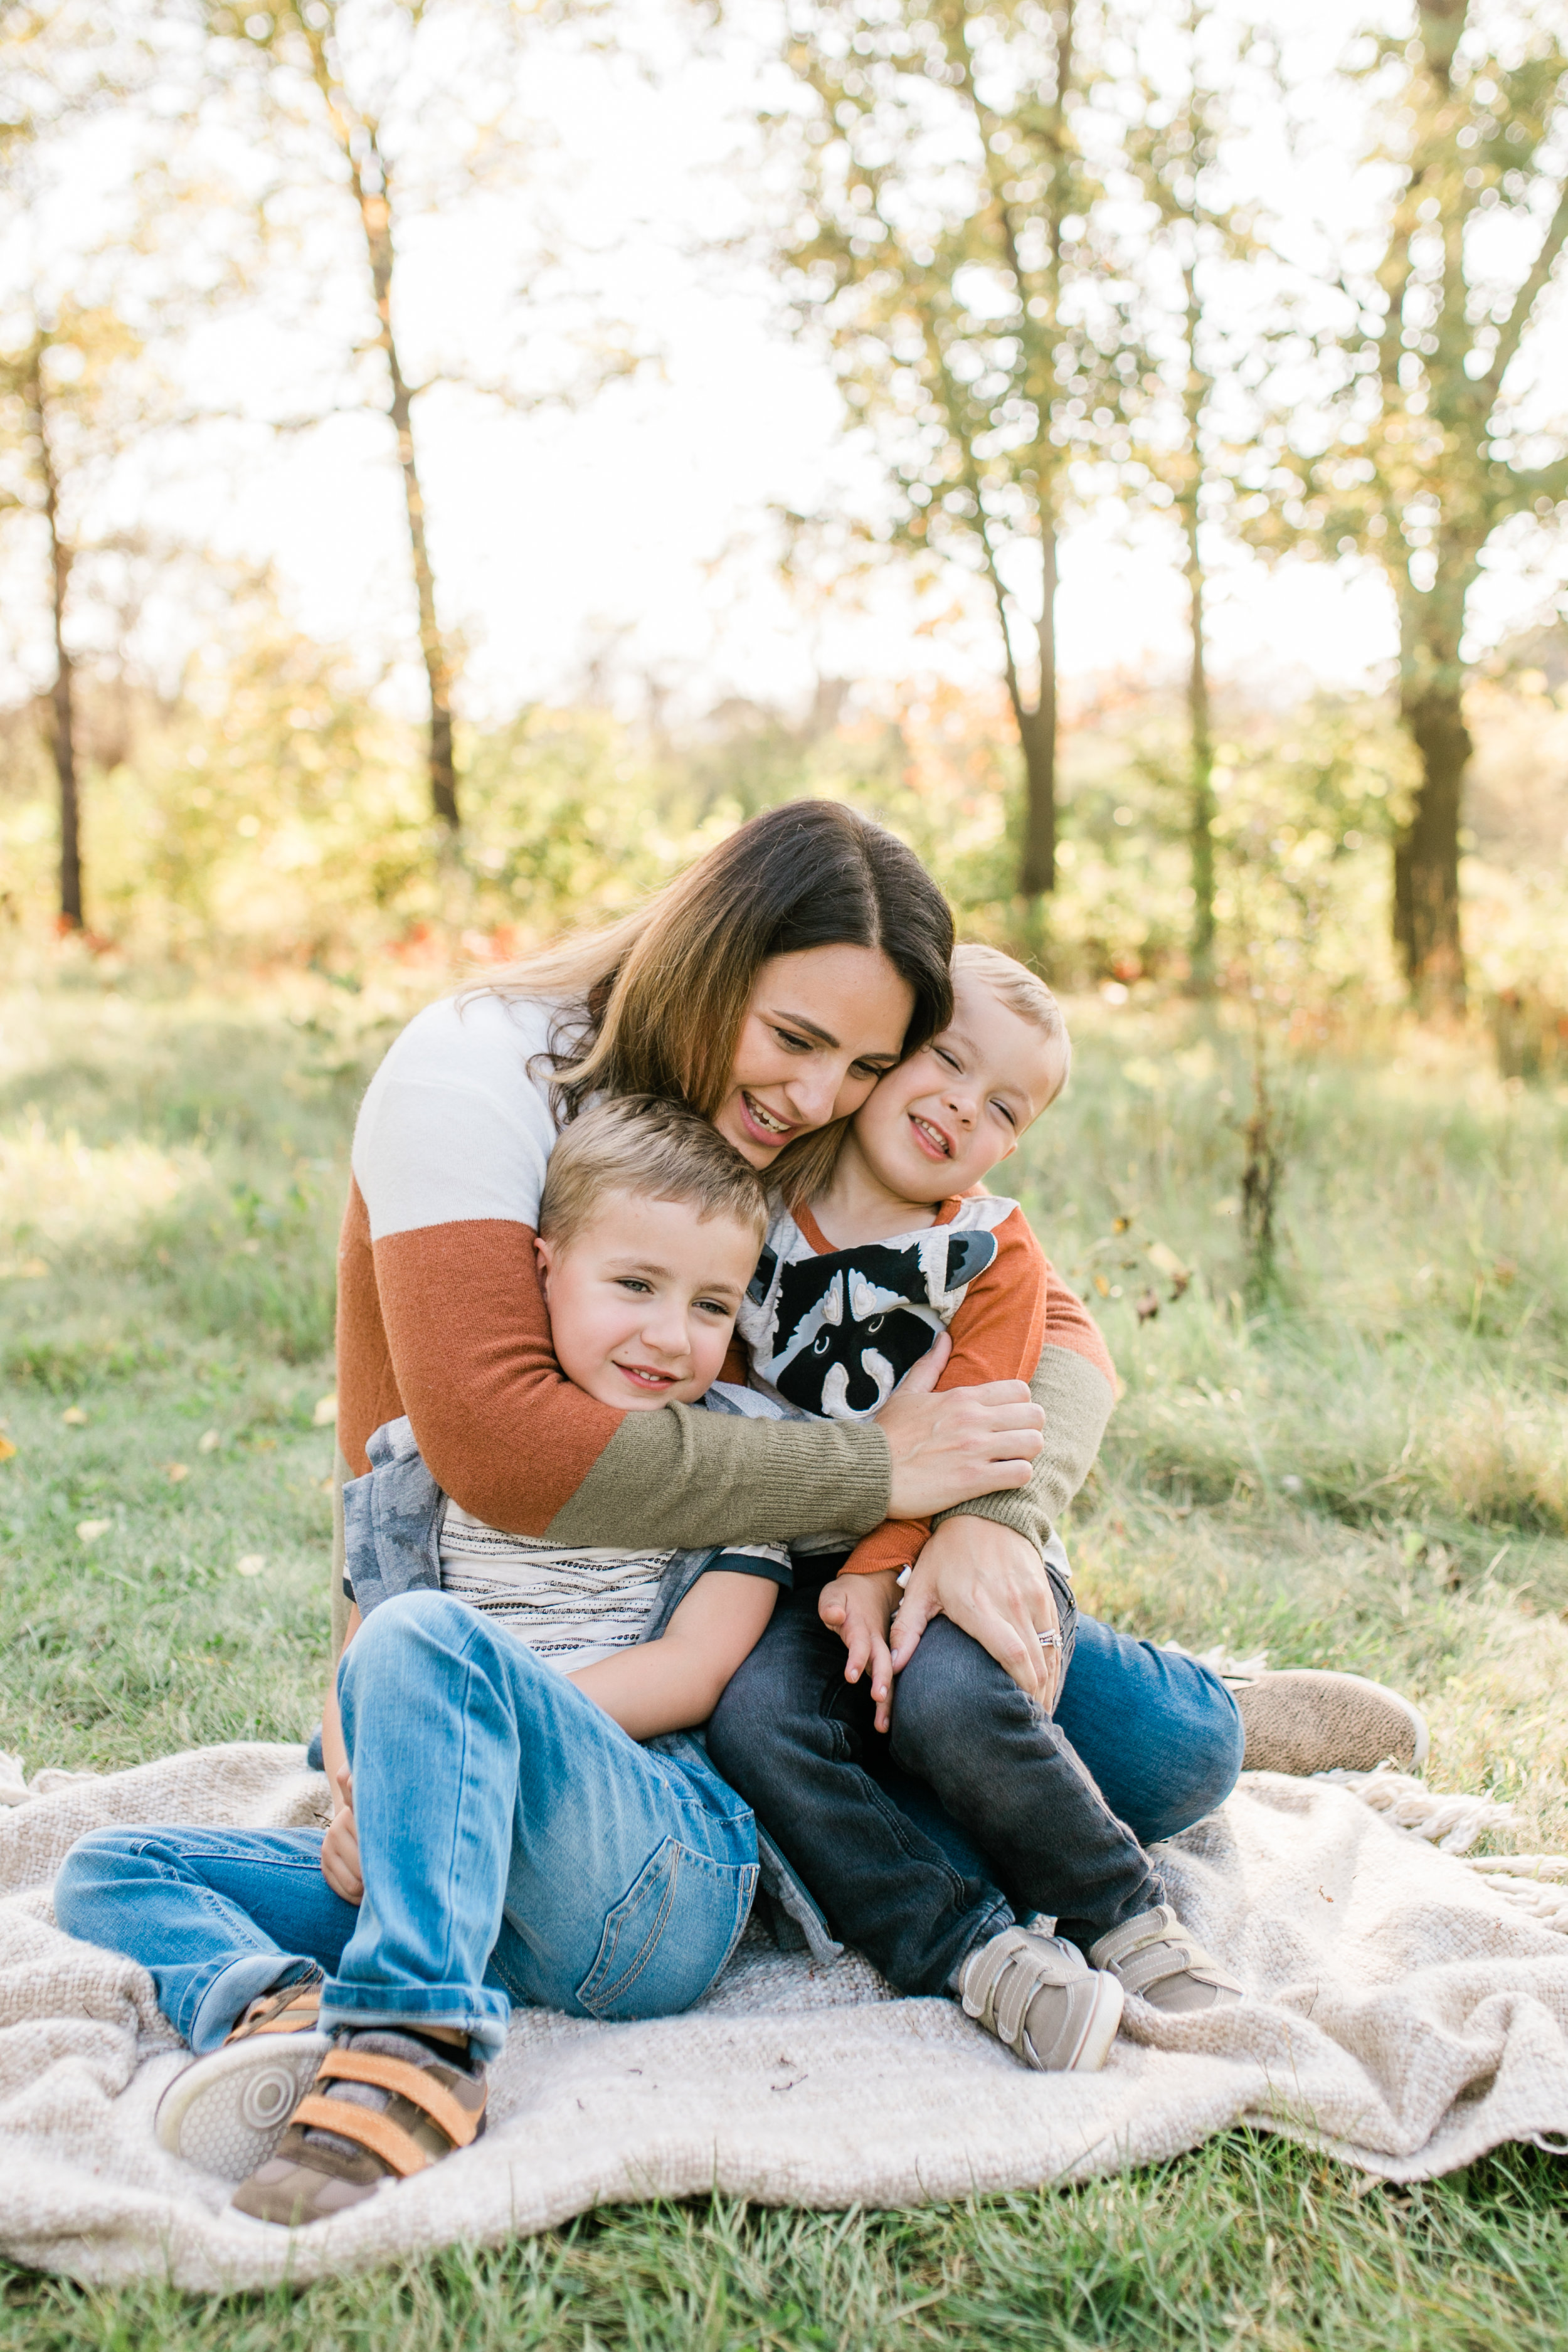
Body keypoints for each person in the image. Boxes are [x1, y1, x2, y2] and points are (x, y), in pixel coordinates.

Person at [326, 797, 1422, 1831]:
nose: (816, 1097)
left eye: (866, 1065)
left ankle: (1189, 1698)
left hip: (752, 1586)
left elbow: (1063, 1330)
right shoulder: (477, 1070)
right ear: (707, 964)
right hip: (511, 1599)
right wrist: (874, 1469)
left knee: (1152, 1761)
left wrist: (989, 1521)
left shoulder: (797, 1109)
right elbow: (500, 1444)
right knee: (819, 1806)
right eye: (795, 1038)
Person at [55, 1098, 800, 2224]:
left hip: (648, 1881)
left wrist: (460, 1731)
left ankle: (415, 2043)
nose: (670, 1334)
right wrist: (364, 1792)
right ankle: (279, 2012)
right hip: (448, 1869)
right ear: (541, 1269)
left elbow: (695, 1670)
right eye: (634, 1285)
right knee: (109, 1868)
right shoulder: (432, 1459)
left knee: (432, 1645)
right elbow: (359, 1658)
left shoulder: (745, 1454)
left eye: (711, 1304)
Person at [709, 948, 1239, 2073]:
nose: (962, 1104)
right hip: (785, 1572)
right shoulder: (751, 1198)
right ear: (889, 1052)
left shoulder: (987, 1253)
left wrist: (885, 1561)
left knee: (952, 1695)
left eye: (1003, 1106)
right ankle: (965, 1949)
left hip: (943, 1555)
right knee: (756, 1720)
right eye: (948, 1060)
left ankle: (1123, 1911)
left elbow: (983, 1428)